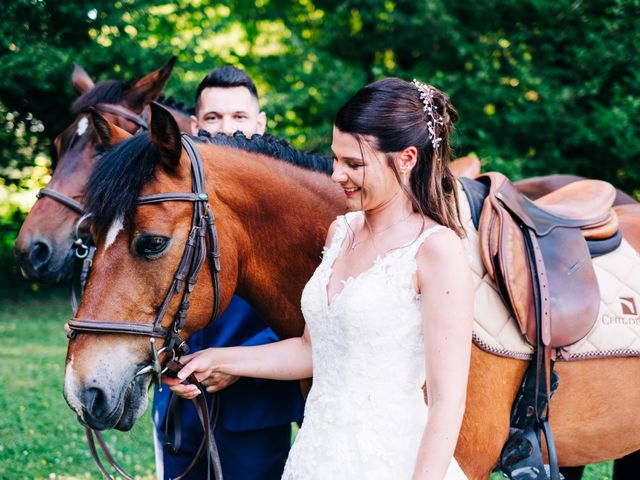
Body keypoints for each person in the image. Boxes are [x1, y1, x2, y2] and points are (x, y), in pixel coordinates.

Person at [165, 77, 474, 479]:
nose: (336, 175)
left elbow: (448, 402)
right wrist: (221, 358)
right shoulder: (341, 231)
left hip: (391, 461)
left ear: (407, 158)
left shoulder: (436, 250)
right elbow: (316, 349)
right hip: (317, 455)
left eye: (354, 164)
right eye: (336, 159)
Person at [152, 66, 304, 480]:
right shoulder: (176, 198)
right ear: (196, 125)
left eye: (239, 118)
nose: (227, 128)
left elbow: (302, 310)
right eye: (214, 118)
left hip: (255, 405)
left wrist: (237, 363)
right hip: (179, 407)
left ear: (260, 124)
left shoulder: (287, 201)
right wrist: (168, 358)